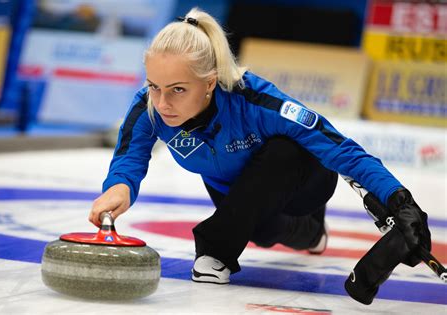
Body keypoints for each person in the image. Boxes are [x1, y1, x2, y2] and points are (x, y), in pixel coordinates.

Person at [89, 8, 431, 285]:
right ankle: (313, 234)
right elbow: (129, 156)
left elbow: (339, 147)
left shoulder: (253, 99)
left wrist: (399, 201)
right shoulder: (150, 107)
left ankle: (216, 251)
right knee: (264, 232)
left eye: (178, 89)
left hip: (304, 181)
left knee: (281, 152)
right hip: (241, 196)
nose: (162, 103)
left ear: (209, 83)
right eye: (153, 86)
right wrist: (118, 187)